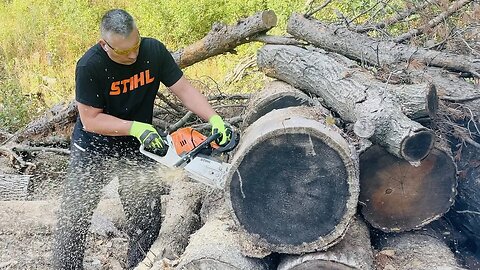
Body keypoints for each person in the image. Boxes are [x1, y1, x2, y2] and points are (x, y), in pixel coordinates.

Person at [53, 8, 231, 269]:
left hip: (139, 145)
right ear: (105, 45)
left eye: (135, 45)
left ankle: (138, 264)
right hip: (95, 145)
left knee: (145, 214)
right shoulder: (90, 66)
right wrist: (134, 127)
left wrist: (214, 118)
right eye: (124, 51)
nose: (133, 54)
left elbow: (183, 89)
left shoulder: (153, 52)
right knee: (76, 213)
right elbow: (91, 119)